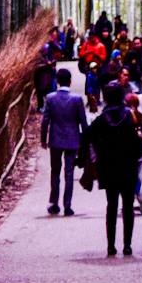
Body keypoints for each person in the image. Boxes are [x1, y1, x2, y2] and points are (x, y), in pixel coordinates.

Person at [87, 82, 142, 258]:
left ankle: (110, 246)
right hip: (129, 166)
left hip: (108, 167)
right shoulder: (132, 117)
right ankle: (127, 245)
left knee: (111, 205)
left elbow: (87, 137)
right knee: (128, 206)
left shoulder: (100, 120)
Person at [40, 66, 89, 216]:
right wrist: (86, 141)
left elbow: (45, 121)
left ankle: (54, 203)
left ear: (57, 81)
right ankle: (67, 205)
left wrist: (43, 139)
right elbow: (83, 122)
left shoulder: (50, 98)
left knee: (55, 171)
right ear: (70, 81)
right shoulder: (77, 99)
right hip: (72, 139)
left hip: (55, 139)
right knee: (69, 173)